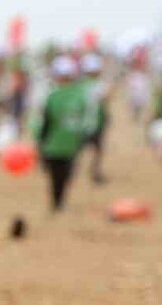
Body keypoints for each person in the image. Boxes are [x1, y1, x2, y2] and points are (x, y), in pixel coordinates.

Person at [37, 56, 89, 212]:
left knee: (55, 176)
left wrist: (41, 142)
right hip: (71, 143)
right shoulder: (80, 95)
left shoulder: (53, 96)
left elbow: (46, 122)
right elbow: (84, 122)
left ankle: (56, 202)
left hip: (54, 143)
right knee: (66, 174)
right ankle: (59, 202)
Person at [80, 53, 110, 184]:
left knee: (79, 150)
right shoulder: (99, 85)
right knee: (97, 150)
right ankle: (95, 173)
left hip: (82, 124)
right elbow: (105, 99)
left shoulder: (80, 85)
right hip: (96, 123)